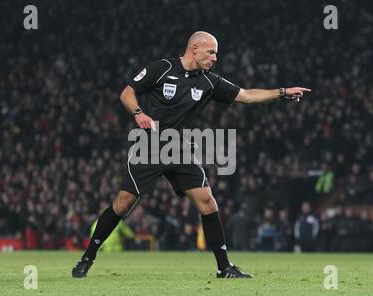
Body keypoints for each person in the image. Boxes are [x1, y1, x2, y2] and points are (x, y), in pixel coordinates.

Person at [72, 31, 311, 279]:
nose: (215, 58)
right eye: (211, 52)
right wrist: (139, 113)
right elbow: (127, 93)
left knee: (207, 202)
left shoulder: (208, 82)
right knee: (123, 204)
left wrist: (282, 92)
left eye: (216, 53)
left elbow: (246, 95)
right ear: (194, 48)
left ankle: (224, 268)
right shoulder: (162, 69)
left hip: (179, 147)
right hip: (149, 146)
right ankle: (87, 257)